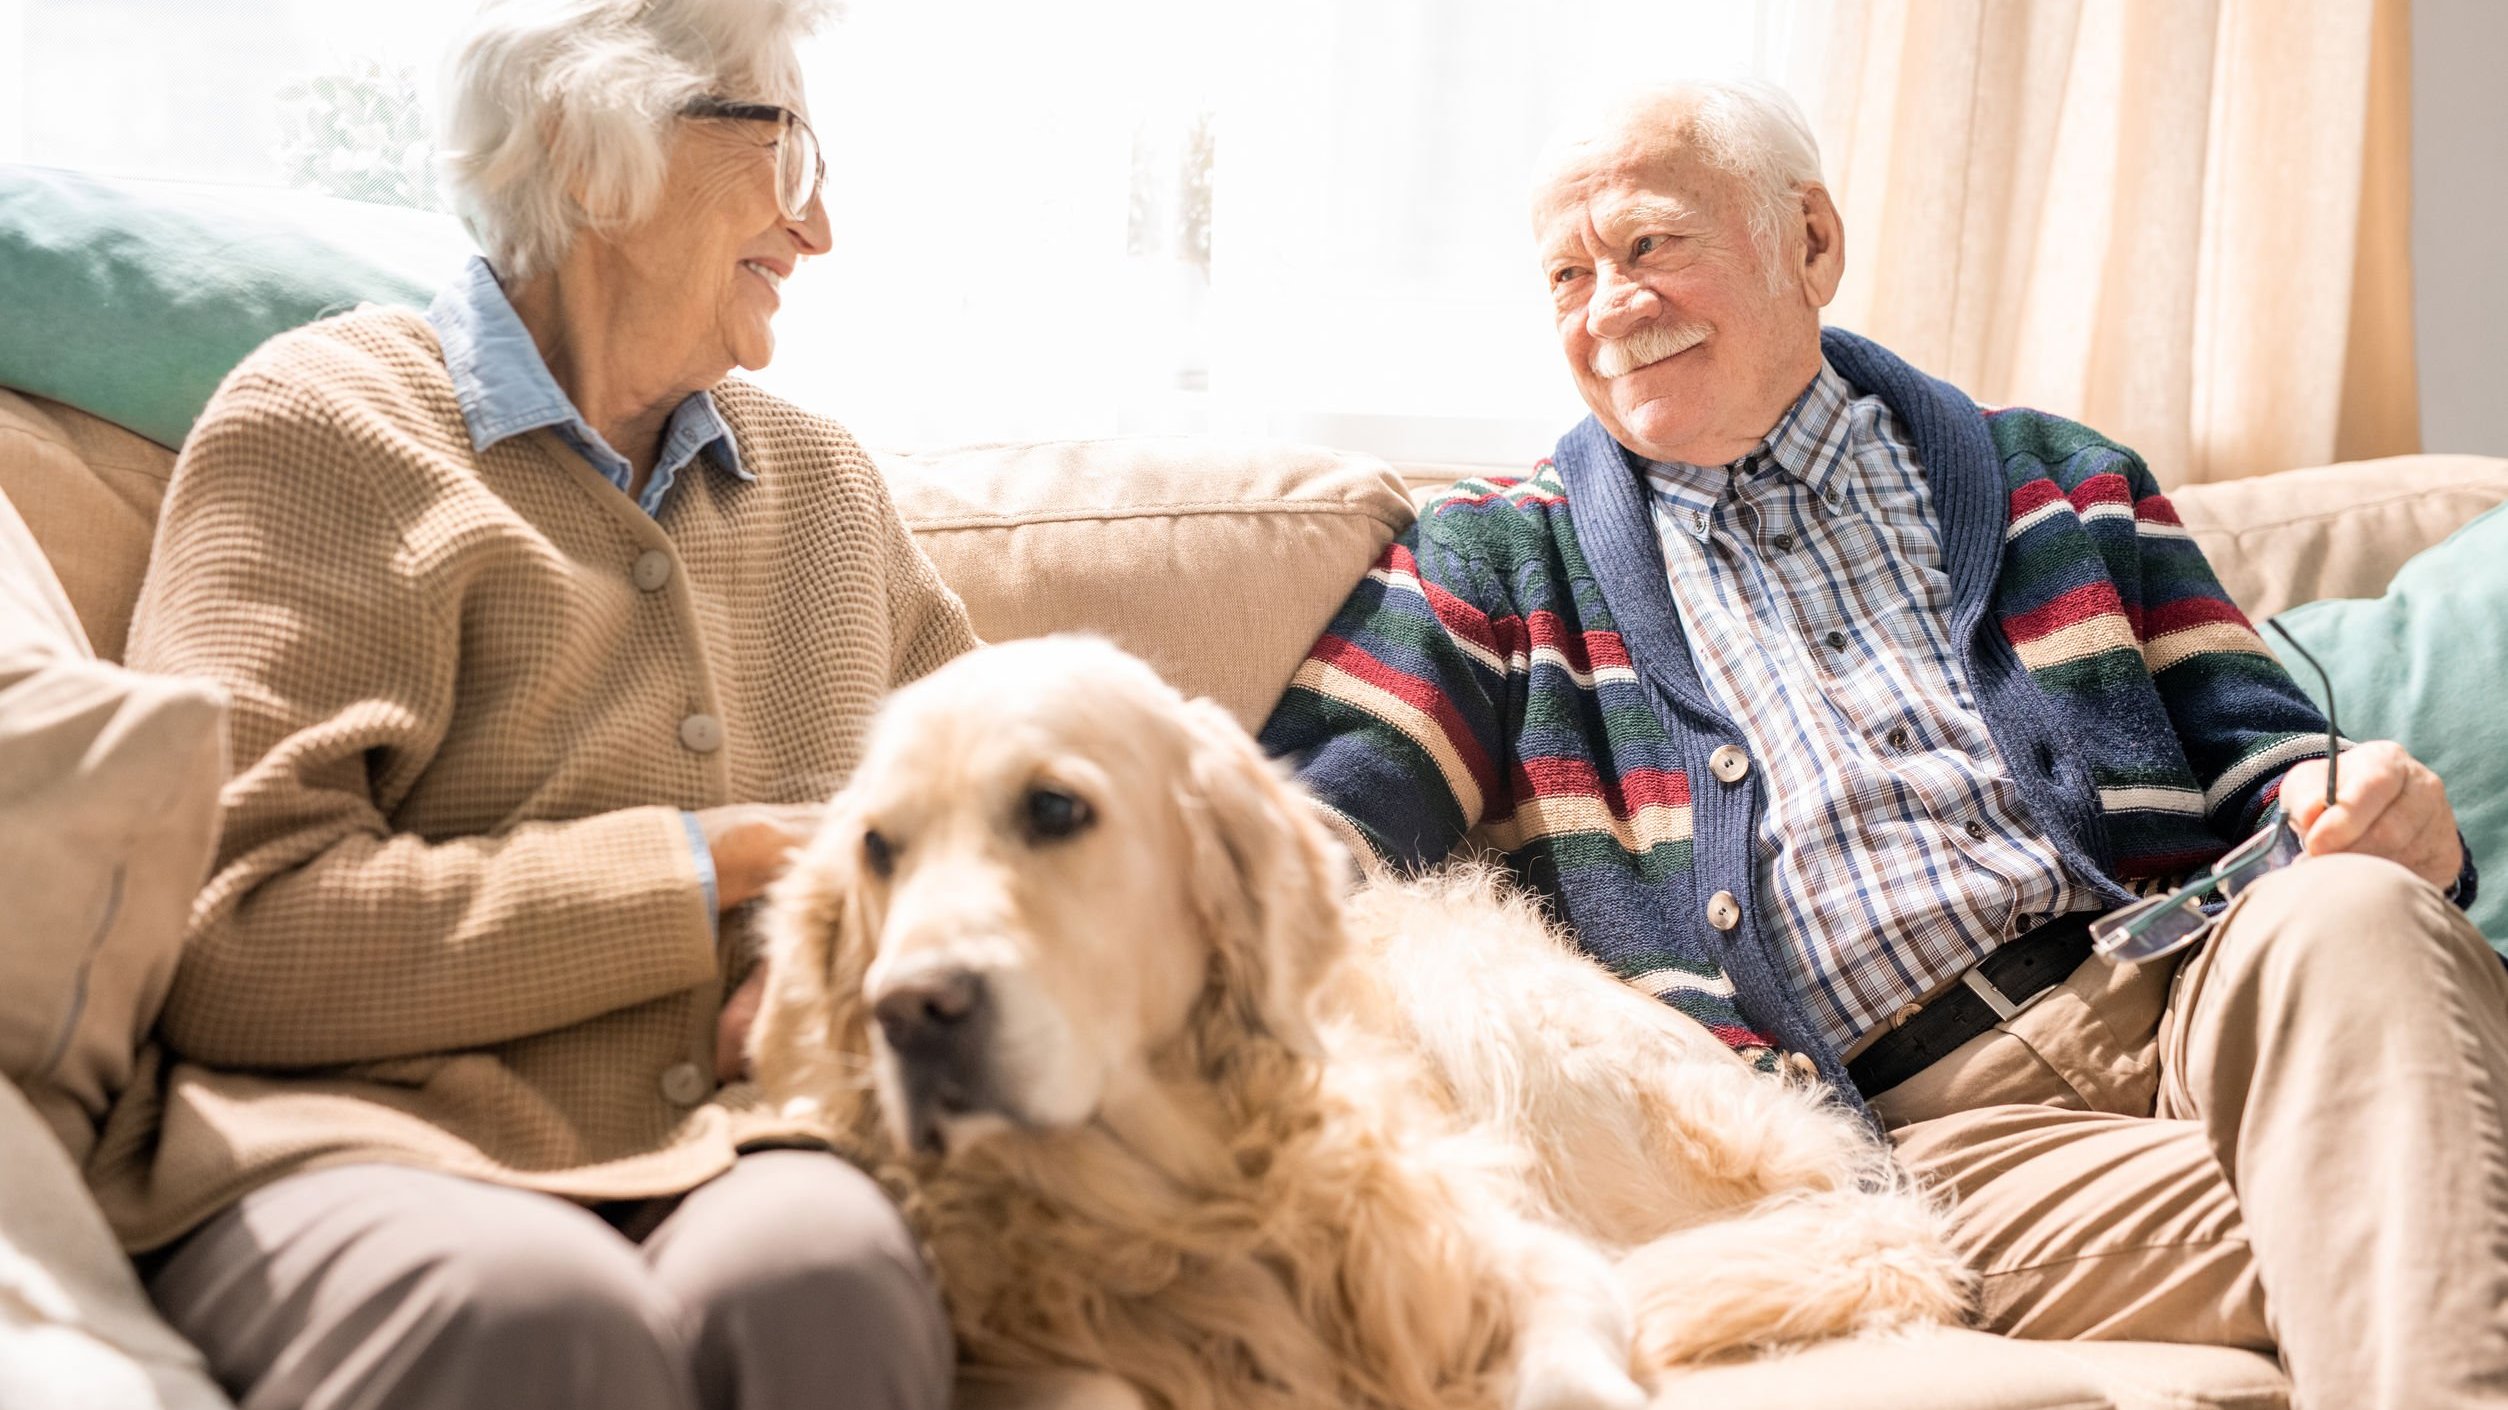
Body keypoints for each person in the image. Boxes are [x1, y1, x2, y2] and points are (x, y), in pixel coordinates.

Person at [1260, 80, 2508, 1408]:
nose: (1607, 306)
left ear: (1810, 241)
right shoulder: (1496, 564)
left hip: (2216, 990)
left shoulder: (2062, 481)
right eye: (1566, 274)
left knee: (2359, 907)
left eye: (1647, 245)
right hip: (1942, 1135)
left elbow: (2278, 763)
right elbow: (1285, 854)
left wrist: (2361, 802)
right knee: (2422, 1194)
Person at [101, 2, 978, 1407]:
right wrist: (733, 861)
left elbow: (996, 830)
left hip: (742, 1146)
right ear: (589, 147)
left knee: (822, 1272)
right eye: (787, 149)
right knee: (536, 1313)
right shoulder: (328, 427)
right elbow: (227, 935)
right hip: (362, 1144)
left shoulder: (823, 486)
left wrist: (852, 954)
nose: (818, 234)